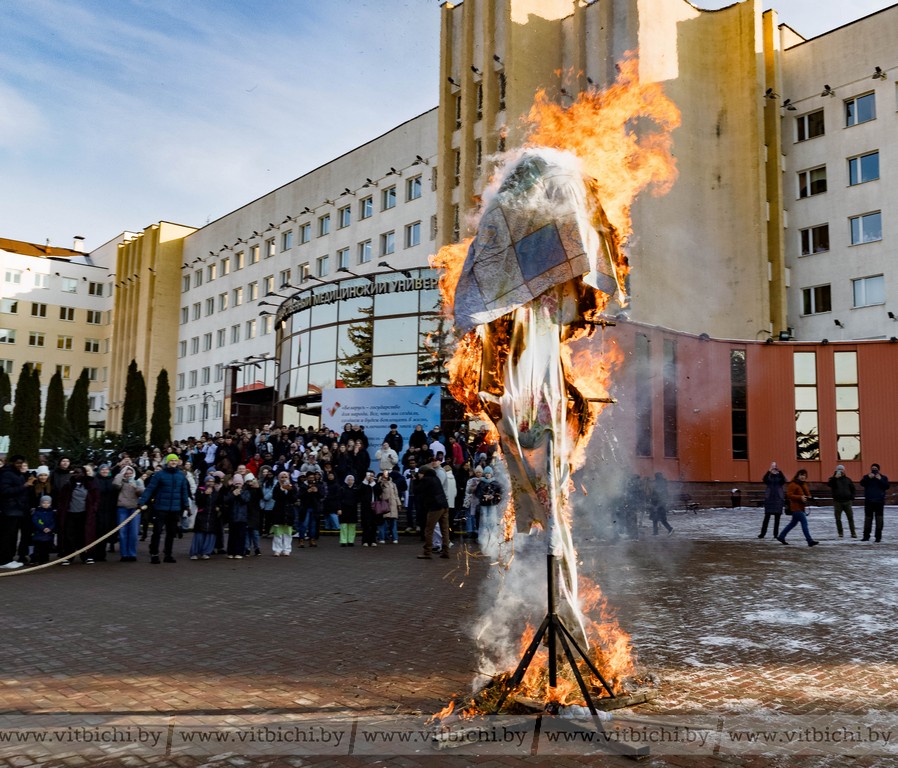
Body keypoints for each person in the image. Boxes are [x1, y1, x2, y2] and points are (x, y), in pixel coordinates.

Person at [138, 453, 190, 564]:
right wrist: (142, 501)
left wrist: (186, 505)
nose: (173, 462)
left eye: (175, 461)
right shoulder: (159, 475)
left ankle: (168, 554)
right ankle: (154, 553)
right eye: (171, 460)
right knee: (157, 531)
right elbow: (150, 489)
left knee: (171, 533)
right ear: (167, 462)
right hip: (160, 508)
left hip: (175, 509)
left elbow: (184, 491)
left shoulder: (181, 475)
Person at [57, 466, 100, 565]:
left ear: (84, 473)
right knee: (69, 536)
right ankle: (68, 557)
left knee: (84, 535)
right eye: (74, 472)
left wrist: (94, 509)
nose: (76, 474)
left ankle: (87, 556)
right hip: (70, 514)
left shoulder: (90, 484)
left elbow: (96, 499)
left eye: (78, 473)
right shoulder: (68, 485)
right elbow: (61, 499)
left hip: (85, 515)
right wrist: (61, 510)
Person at [0, 455, 36, 569]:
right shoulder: (6, 474)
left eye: (22, 462)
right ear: (11, 463)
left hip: (17, 509)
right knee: (7, 536)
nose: (20, 465)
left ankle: (9, 558)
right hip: (9, 509)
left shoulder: (18, 474)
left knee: (13, 536)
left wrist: (28, 485)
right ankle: (4, 560)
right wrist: (24, 486)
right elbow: (5, 491)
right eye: (17, 463)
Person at [415, 456, 450, 560]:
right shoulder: (435, 478)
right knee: (445, 530)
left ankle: (427, 552)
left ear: (423, 473)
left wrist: (415, 480)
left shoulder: (426, 480)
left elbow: (416, 491)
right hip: (444, 505)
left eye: (419, 474)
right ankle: (446, 551)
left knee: (429, 529)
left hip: (435, 507)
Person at [778, 469, 819, 547]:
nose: (802, 477)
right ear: (797, 476)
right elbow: (789, 495)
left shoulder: (803, 484)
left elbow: (806, 494)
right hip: (796, 508)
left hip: (801, 507)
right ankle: (809, 541)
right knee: (804, 523)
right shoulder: (793, 484)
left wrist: (809, 497)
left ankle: (781, 536)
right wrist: (800, 497)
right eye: (801, 475)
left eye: (804, 475)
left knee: (792, 523)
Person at [112, 465, 144, 562]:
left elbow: (143, 493)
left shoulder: (137, 481)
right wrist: (120, 475)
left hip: (134, 509)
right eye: (126, 473)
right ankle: (124, 554)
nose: (128, 475)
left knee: (134, 533)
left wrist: (137, 487)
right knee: (122, 532)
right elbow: (115, 485)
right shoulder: (120, 481)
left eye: (130, 473)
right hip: (122, 508)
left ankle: (132, 553)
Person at [860, 463, 890, 542]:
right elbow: (862, 483)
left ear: (878, 469)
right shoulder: (867, 477)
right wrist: (868, 478)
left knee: (879, 520)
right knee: (868, 520)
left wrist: (880, 479)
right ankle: (866, 536)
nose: (874, 470)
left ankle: (878, 537)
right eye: (872, 468)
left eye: (875, 468)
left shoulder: (883, 477)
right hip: (869, 502)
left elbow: (887, 486)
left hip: (879, 502)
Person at [270, 471, 297, 556]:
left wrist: (289, 490)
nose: (284, 479)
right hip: (279, 512)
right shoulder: (277, 487)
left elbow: (294, 499)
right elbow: (275, 497)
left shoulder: (293, 487)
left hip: (288, 512)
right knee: (278, 533)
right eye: (282, 477)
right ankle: (277, 549)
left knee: (288, 533)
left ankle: (287, 549)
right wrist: (282, 489)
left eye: (285, 477)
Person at [827, 464, 857, 539]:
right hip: (837, 502)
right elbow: (829, 484)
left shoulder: (848, 479)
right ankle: (840, 533)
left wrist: (852, 497)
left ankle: (853, 533)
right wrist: (835, 478)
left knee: (850, 518)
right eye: (839, 469)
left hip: (847, 502)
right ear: (836, 470)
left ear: (844, 470)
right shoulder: (833, 479)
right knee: (838, 518)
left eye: (842, 469)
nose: (840, 471)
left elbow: (853, 489)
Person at [759, 461, 787, 539]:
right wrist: (769, 471)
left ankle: (775, 534)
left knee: (777, 519)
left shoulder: (779, 477)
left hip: (778, 499)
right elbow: (764, 479)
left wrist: (780, 471)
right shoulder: (769, 477)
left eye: (775, 468)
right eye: (773, 468)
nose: (774, 470)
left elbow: (784, 480)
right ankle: (762, 533)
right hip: (769, 499)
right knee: (766, 517)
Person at [30, 495, 57, 565]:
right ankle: (35, 559)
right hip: (38, 533)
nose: (46, 505)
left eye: (48, 503)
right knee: (37, 547)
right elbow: (35, 521)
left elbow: (54, 522)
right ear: (41, 503)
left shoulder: (52, 513)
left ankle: (44, 559)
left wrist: (50, 528)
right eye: (44, 503)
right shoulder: (37, 512)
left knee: (46, 547)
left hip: (48, 533)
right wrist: (43, 528)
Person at [337, 474, 359, 547]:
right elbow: (339, 499)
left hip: (353, 509)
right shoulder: (342, 488)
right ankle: (343, 541)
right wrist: (339, 508)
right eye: (349, 480)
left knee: (352, 525)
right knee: (344, 525)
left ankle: (351, 541)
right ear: (346, 480)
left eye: (352, 480)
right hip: (344, 509)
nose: (350, 481)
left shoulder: (356, 489)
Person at [649, 472, 673, 536]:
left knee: (662, 519)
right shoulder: (660, 485)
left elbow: (661, 497)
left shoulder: (661, 486)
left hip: (659, 504)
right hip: (656, 503)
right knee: (655, 518)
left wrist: (657, 506)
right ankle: (655, 532)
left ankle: (670, 529)